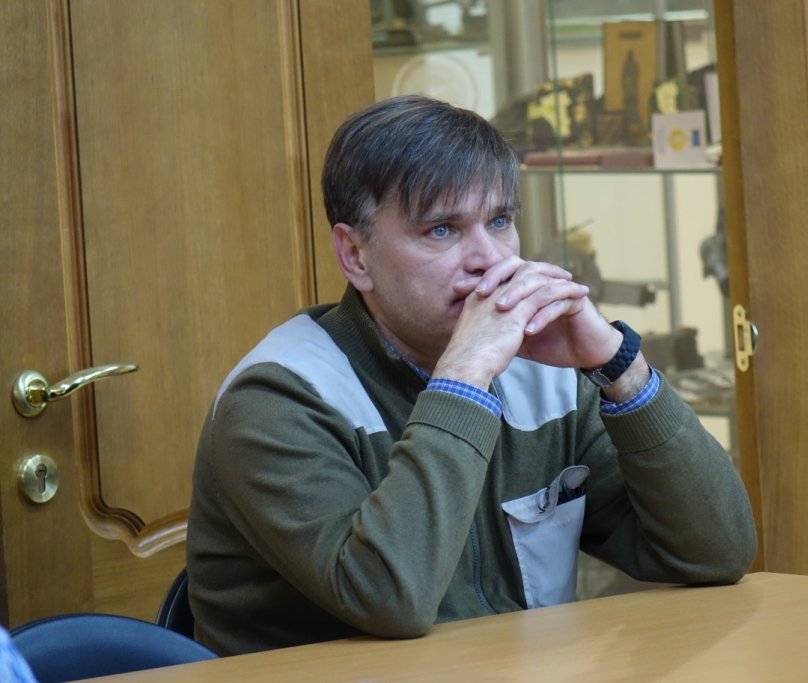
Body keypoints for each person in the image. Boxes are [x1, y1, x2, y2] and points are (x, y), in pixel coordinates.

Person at [186, 95, 757, 656]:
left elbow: (716, 552)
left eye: (500, 221)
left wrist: (619, 366)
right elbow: (391, 598)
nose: (491, 258)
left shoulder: (548, 373)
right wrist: (463, 378)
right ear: (356, 255)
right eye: (442, 229)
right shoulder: (277, 398)